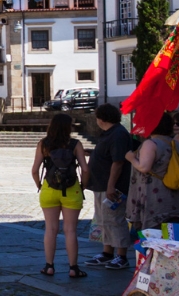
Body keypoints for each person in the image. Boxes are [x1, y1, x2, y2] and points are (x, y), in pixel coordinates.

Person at [33, 112, 91, 278]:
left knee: (50, 229)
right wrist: (83, 185)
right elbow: (85, 169)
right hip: (72, 189)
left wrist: (40, 185)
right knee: (70, 230)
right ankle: (73, 268)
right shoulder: (75, 144)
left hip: (49, 189)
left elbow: (34, 170)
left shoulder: (44, 144)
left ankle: (49, 266)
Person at [125, 110, 179, 233]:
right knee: (171, 233)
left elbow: (144, 167)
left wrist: (131, 158)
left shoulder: (151, 143)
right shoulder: (174, 143)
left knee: (153, 233)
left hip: (153, 195)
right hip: (173, 195)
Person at [84, 104, 133, 269]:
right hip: (100, 184)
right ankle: (107, 252)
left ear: (101, 119)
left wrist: (111, 185)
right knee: (103, 220)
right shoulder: (108, 133)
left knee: (115, 220)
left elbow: (118, 162)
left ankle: (121, 256)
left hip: (111, 186)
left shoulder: (118, 134)